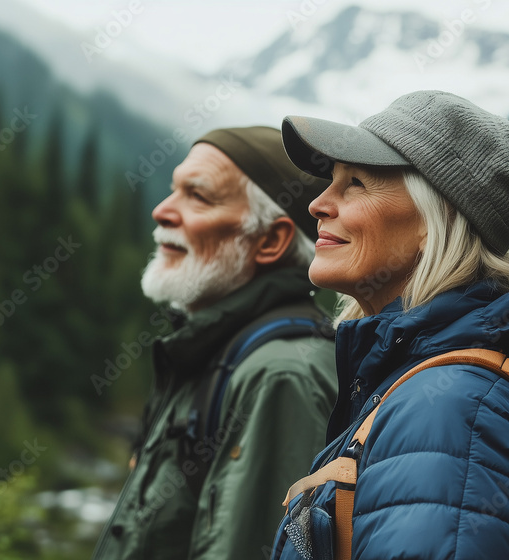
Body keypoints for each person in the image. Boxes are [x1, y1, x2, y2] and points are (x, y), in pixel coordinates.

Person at [270, 91, 509, 559]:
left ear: (435, 219)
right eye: (331, 182)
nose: (319, 203)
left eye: (357, 183)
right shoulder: (420, 383)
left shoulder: (449, 410)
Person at [93, 126, 339, 560]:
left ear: (270, 240)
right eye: (172, 191)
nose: (162, 211)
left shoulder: (281, 375)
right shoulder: (214, 350)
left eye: (198, 196)